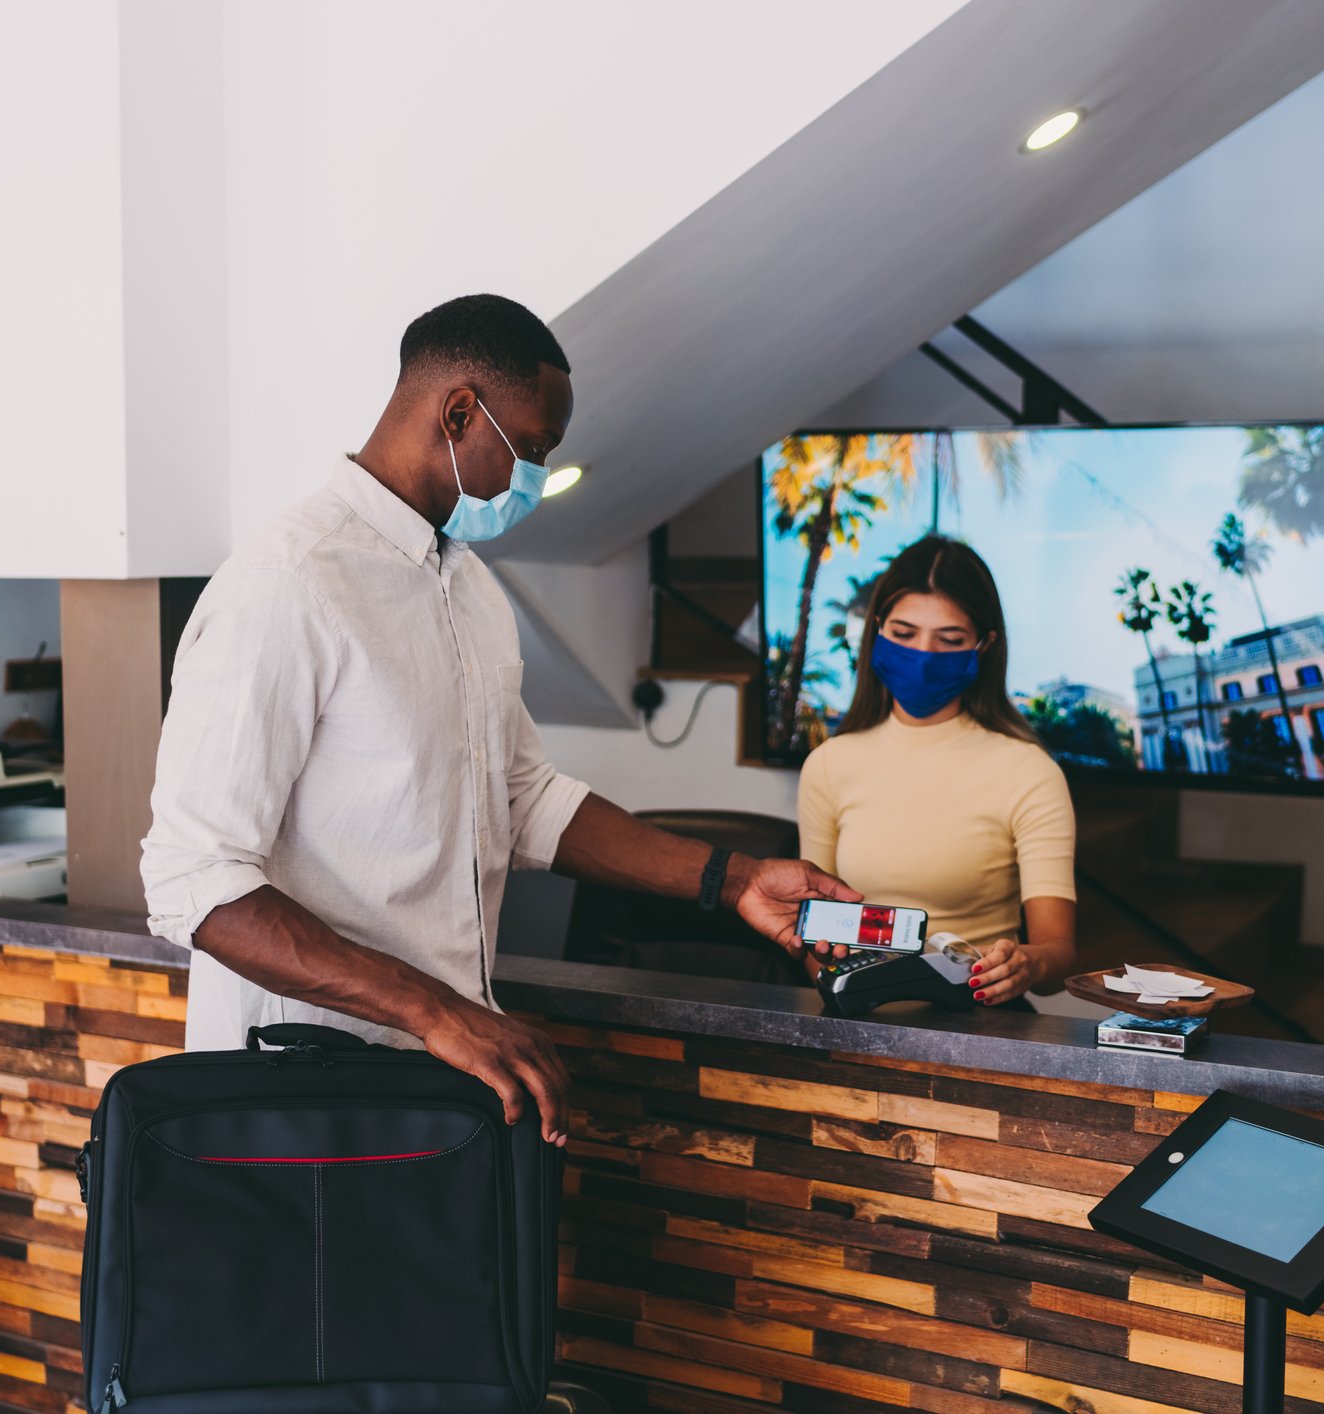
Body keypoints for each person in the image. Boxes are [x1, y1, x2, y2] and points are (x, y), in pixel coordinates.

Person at [141, 293, 856, 1149]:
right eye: (534, 450)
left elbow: (525, 799)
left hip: (441, 1084)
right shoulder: (288, 583)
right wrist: (434, 1010)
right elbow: (196, 878)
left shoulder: (470, 588)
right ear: (457, 411)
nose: (538, 481)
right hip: (300, 1092)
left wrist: (734, 879)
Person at [797, 535, 1077, 1007]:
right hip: (858, 1017)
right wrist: (843, 975)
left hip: (984, 1025)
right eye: (904, 635)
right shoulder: (828, 764)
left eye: (949, 640)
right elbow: (815, 938)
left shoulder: (1029, 772)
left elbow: (1057, 955)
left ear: (983, 645)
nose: (923, 655)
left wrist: (1025, 964)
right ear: (878, 630)